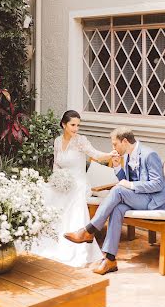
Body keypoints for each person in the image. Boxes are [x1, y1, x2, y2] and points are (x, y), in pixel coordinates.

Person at [64, 126, 165, 275]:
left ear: (124, 141)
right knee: (117, 209)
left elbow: (158, 184)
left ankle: (89, 230)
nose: (113, 148)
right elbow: (125, 182)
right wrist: (117, 167)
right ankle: (110, 259)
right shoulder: (129, 156)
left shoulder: (150, 154)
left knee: (117, 189)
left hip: (154, 200)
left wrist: (130, 184)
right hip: (140, 198)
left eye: (115, 144)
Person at [31, 110, 113, 267]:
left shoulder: (81, 141)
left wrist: (109, 155)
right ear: (64, 124)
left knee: (73, 197)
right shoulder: (57, 141)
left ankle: (77, 242)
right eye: (72, 125)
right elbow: (56, 163)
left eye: (78, 125)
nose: (76, 128)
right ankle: (47, 238)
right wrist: (55, 180)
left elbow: (95, 155)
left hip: (79, 183)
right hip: (62, 182)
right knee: (45, 191)